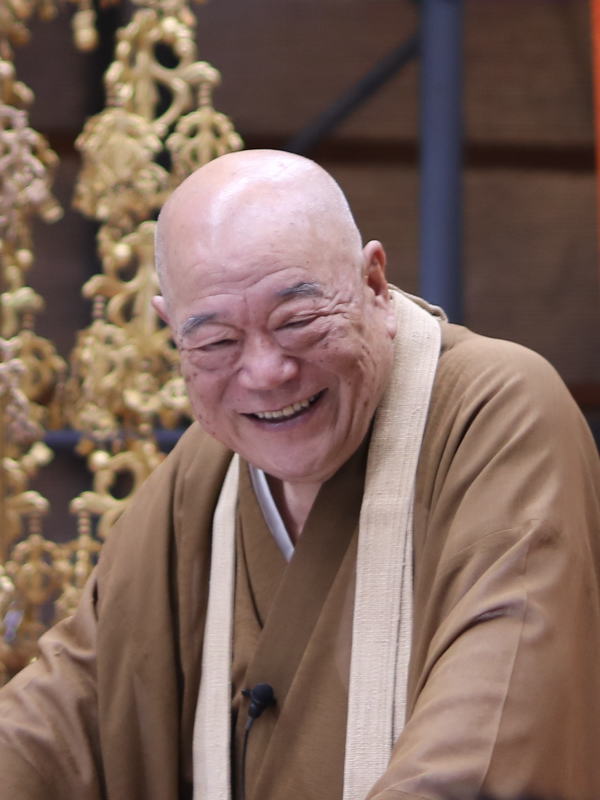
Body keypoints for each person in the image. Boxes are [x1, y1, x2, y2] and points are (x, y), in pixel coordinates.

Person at [0, 149, 599, 800]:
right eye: (217, 342)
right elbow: (71, 701)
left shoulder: (496, 412)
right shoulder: (207, 471)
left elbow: (488, 737)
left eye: (298, 321)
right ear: (173, 331)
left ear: (374, 284)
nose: (266, 373)